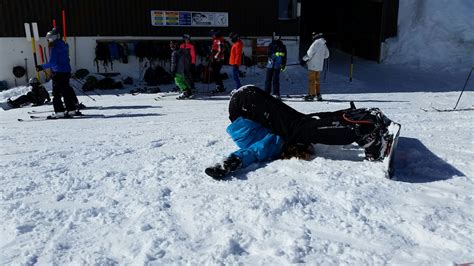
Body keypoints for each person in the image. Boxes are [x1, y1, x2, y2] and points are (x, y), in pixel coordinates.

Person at [205, 85, 394, 179]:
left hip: (244, 106)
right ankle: (358, 117)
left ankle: (362, 129)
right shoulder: (279, 138)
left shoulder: (273, 145)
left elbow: (250, 153)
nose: (309, 147)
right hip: (246, 100)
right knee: (305, 122)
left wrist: (230, 163)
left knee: (301, 128)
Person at [35, 28, 81, 117]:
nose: (48, 41)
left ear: (53, 38)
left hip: (59, 73)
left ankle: (59, 112)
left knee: (56, 93)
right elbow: (67, 59)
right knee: (65, 91)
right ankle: (71, 110)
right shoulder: (64, 45)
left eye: (49, 39)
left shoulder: (55, 48)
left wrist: (41, 67)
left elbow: (53, 63)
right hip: (66, 71)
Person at [302, 32, 329, 101]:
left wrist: (303, 60)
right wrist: (320, 57)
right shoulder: (324, 44)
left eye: (313, 35)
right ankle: (318, 94)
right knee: (317, 80)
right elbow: (327, 55)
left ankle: (311, 95)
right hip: (319, 66)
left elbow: (309, 54)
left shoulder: (315, 43)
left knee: (311, 80)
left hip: (313, 65)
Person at [265, 32, 287, 99]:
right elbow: (268, 54)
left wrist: (283, 65)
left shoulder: (282, 46)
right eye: (275, 37)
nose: (276, 38)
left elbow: (284, 57)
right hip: (270, 65)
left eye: (278, 37)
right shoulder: (270, 45)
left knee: (275, 80)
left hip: (277, 66)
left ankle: (276, 93)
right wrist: (274, 55)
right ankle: (266, 93)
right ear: (273, 37)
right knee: (268, 80)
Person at [209, 29, 226, 93]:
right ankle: (219, 86)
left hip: (218, 59)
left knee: (216, 73)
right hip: (215, 59)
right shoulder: (215, 40)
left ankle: (219, 87)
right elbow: (214, 49)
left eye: (212, 34)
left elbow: (221, 50)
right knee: (216, 73)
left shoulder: (219, 40)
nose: (211, 36)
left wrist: (216, 57)